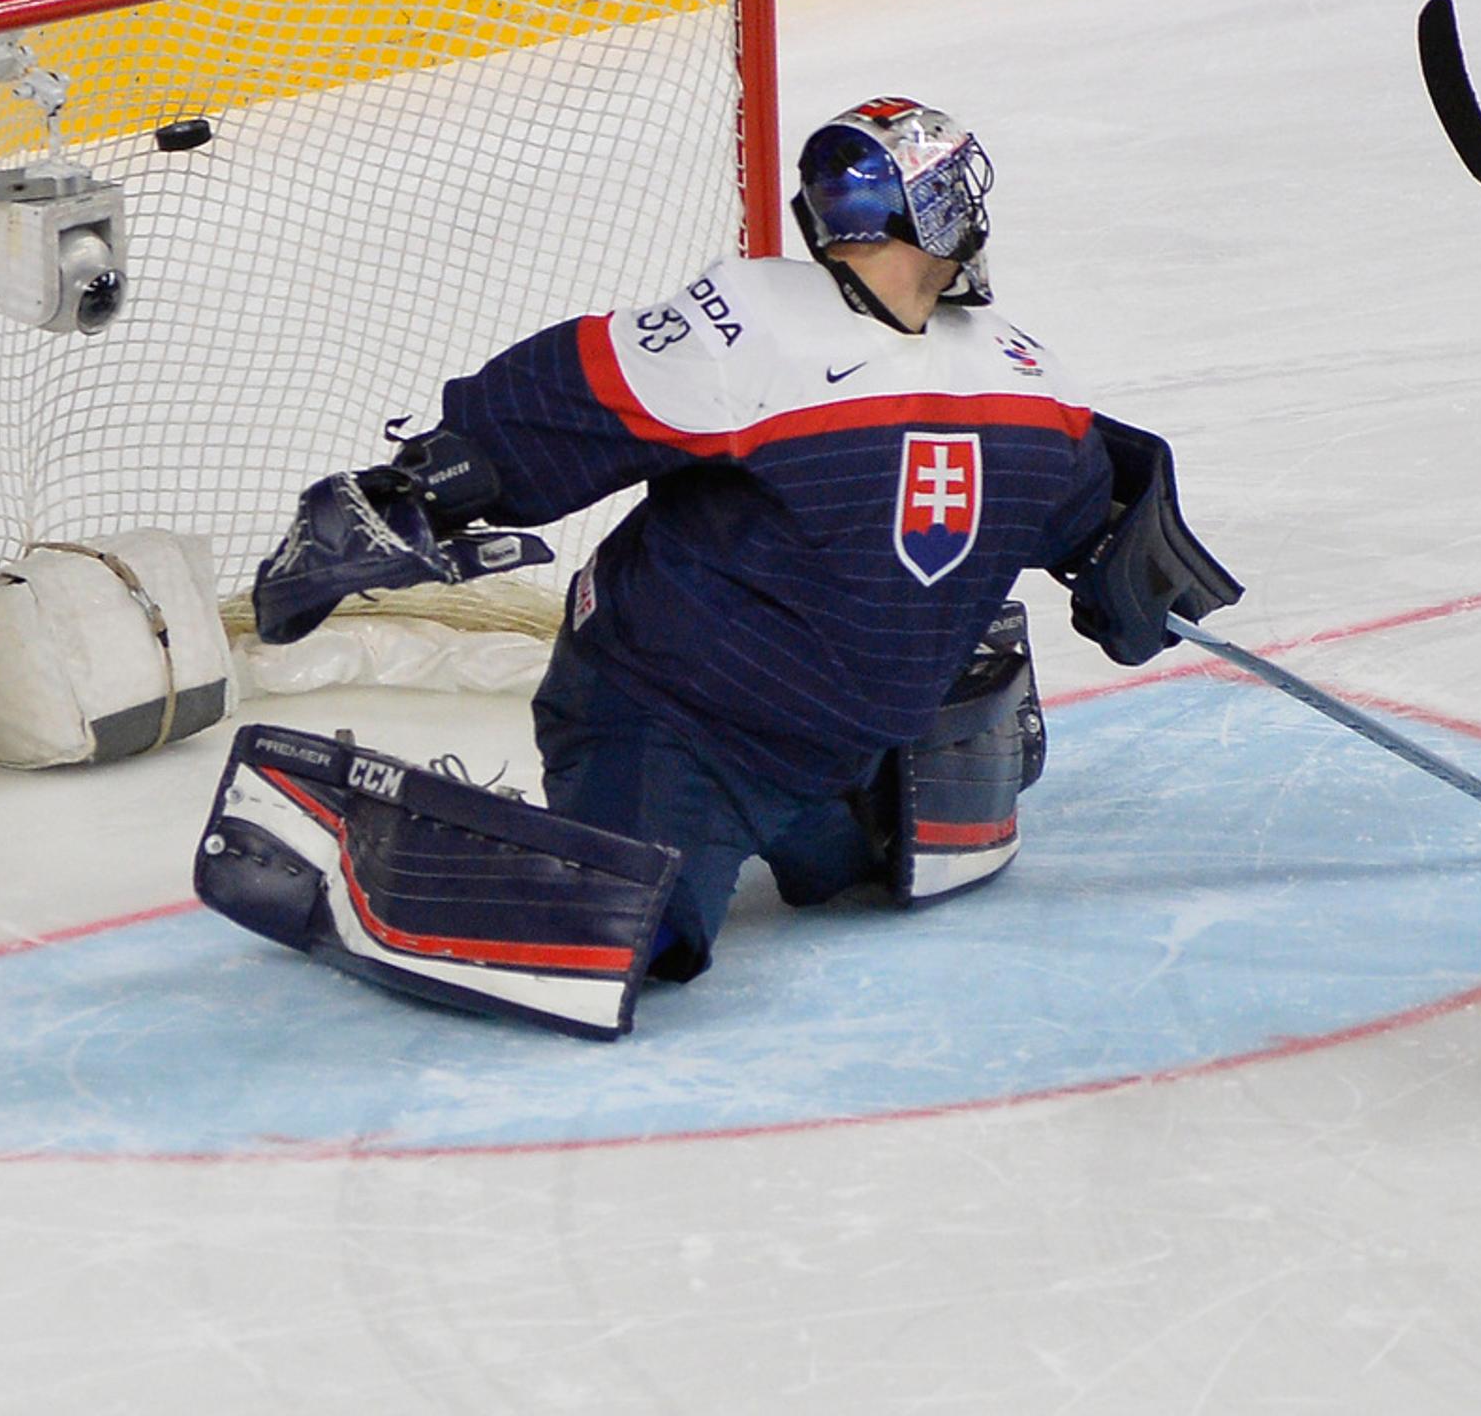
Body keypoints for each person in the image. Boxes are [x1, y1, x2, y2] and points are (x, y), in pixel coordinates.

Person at [198, 99, 1241, 1036]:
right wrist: (415, 491)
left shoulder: (1020, 371)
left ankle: (863, 789)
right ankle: (363, 831)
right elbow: (564, 408)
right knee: (622, 937)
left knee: (893, 869)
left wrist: (1121, 543)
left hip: (842, 740)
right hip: (673, 723)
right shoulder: (746, 327)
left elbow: (1077, 496)